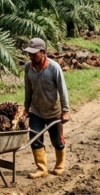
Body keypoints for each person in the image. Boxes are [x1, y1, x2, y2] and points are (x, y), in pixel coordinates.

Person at [22, 37, 70, 179]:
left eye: (34, 54)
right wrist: (26, 108)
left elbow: (63, 90)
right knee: (35, 138)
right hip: (36, 110)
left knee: (57, 141)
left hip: (54, 112)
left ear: (43, 52)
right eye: (29, 54)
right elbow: (28, 89)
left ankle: (59, 166)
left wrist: (65, 111)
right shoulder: (28, 67)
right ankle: (42, 169)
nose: (31, 56)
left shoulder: (54, 67)